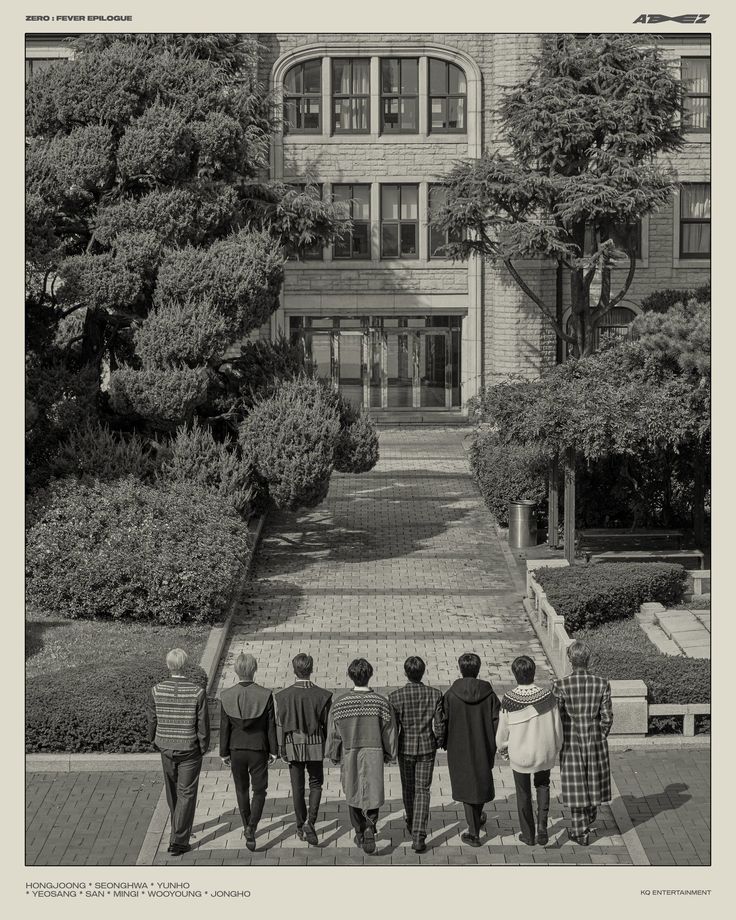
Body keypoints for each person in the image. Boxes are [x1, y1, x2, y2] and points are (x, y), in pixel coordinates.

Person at [326, 658, 397, 855]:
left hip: (351, 752)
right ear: (370, 675)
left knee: (352, 790)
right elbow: (389, 732)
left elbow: (334, 733)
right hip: (374, 752)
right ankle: (370, 825)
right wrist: (390, 753)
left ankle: (359, 829)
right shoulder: (381, 703)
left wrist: (333, 753)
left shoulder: (339, 704)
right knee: (373, 791)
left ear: (350, 676)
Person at [146, 649, 210, 856]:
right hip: (189, 749)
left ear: (168, 665)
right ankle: (179, 840)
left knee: (172, 790)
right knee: (187, 793)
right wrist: (203, 746)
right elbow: (202, 725)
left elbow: (152, 719)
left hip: (165, 747)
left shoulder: (156, 690)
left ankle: (177, 829)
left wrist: (153, 740)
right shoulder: (197, 692)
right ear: (186, 665)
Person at [496, 655, 563, 846]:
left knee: (523, 793)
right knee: (543, 785)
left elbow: (502, 733)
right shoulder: (548, 696)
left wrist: (502, 749)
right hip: (544, 752)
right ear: (533, 672)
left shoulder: (509, 699)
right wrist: (557, 746)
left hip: (520, 756)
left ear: (515, 674)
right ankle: (542, 825)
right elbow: (557, 726)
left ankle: (528, 834)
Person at [552, 640, 614, 846]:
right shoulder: (602, 683)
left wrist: (559, 740)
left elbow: (557, 718)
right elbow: (607, 717)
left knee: (576, 785)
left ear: (570, 660)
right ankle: (588, 816)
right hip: (595, 739)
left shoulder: (560, 685)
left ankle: (580, 832)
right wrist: (600, 735)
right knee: (593, 781)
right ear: (588, 659)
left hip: (571, 741)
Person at [441, 652, 501, 847]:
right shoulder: (489, 694)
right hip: (483, 744)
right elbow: (496, 721)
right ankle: (477, 817)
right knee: (481, 780)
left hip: (458, 747)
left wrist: (442, 741)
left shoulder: (451, 695)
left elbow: (443, 721)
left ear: (460, 669)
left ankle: (473, 832)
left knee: (466, 786)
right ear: (478, 669)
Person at [219, 652, 278, 852]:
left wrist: (223, 751)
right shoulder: (266, 695)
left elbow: (224, 726)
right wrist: (274, 750)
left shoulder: (226, 696)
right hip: (258, 748)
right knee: (259, 790)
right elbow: (271, 725)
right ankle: (253, 826)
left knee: (241, 789)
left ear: (236, 670)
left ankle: (246, 825)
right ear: (254, 669)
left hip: (235, 748)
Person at [274, 653, 333, 847]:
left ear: (294, 670)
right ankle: (311, 822)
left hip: (292, 744)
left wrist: (281, 748)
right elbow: (327, 723)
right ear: (312, 669)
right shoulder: (322, 695)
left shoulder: (283, 696)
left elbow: (280, 724)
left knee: (297, 787)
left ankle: (300, 826)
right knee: (316, 783)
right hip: (316, 743)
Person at [388, 655, 445, 853]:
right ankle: (419, 835)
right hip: (427, 747)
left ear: (405, 673)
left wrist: (391, 749)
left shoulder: (395, 697)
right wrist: (439, 740)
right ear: (423, 672)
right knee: (423, 790)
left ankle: (412, 821)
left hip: (405, 747)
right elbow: (439, 724)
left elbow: (393, 728)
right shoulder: (435, 694)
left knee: (408, 788)